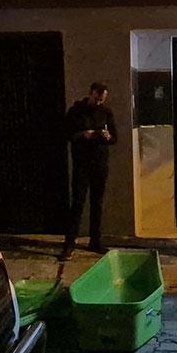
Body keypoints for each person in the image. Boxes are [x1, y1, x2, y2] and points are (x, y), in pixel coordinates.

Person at [59, 82, 117, 261]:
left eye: (102, 99)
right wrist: (82, 135)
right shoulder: (76, 111)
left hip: (100, 163)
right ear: (91, 93)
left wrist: (108, 136)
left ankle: (95, 241)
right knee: (78, 203)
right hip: (82, 164)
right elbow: (65, 133)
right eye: (98, 98)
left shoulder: (106, 112)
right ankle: (70, 243)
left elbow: (114, 137)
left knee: (97, 203)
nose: (99, 102)